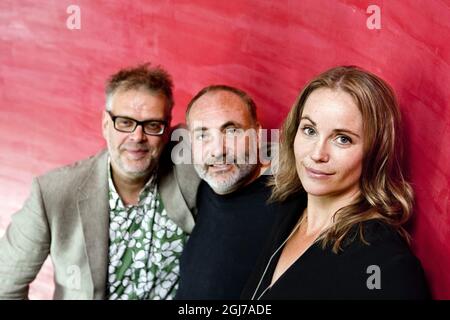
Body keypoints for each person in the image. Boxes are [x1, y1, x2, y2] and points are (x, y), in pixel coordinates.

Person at [0, 63, 200, 300]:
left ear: (167, 131)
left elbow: (236, 139)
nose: (137, 137)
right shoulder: (52, 194)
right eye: (125, 122)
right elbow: (5, 284)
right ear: (106, 124)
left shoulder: (190, 160)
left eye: (152, 125)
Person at [242, 66, 430, 300]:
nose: (317, 154)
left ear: (376, 152)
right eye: (309, 130)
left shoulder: (386, 262)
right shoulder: (289, 209)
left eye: (343, 139)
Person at [175, 85, 280, 299]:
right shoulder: (200, 184)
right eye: (202, 135)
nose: (218, 150)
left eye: (232, 131)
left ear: (258, 133)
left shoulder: (289, 200)